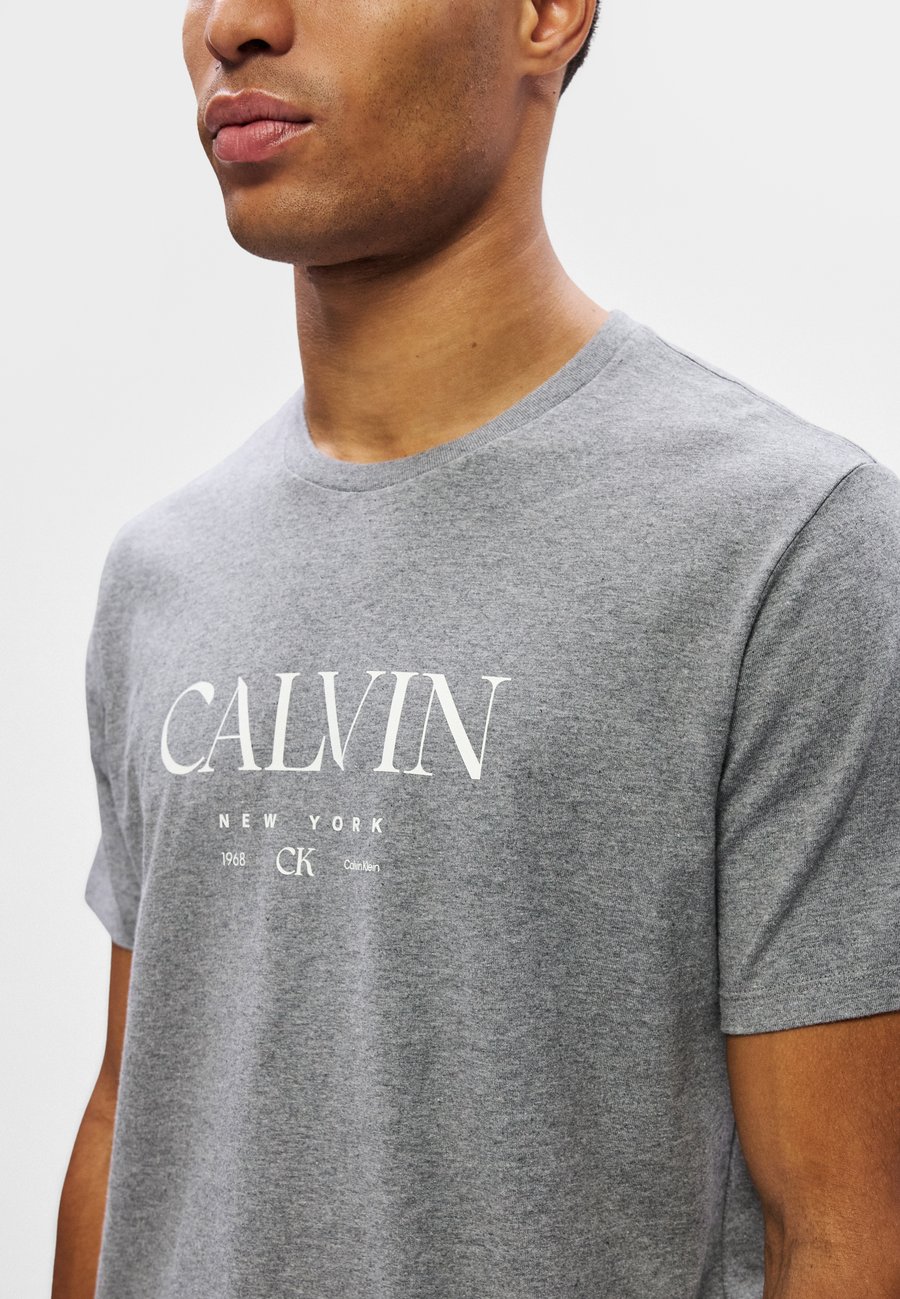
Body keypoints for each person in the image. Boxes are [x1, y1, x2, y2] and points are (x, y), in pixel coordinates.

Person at [53, 0, 900, 1295]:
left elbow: (842, 1229)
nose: (235, 25)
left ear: (547, 16)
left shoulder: (786, 546)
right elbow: (132, 1113)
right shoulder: (164, 572)